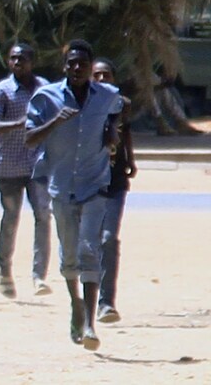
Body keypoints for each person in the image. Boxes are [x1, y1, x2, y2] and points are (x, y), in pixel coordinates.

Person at [25, 39, 123, 351]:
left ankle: (91, 323)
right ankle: (76, 306)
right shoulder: (46, 97)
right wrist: (56, 121)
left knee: (89, 250)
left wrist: (111, 131)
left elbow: (122, 107)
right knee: (69, 256)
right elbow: (29, 139)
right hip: (61, 187)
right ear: (64, 66)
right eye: (72, 63)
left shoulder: (106, 95)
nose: (77, 68)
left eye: (83, 63)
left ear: (91, 67)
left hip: (95, 186)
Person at [0, 43, 53, 299]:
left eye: (22, 59)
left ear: (31, 62)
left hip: (39, 165)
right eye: (13, 59)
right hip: (10, 165)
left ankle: (39, 276)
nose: (17, 63)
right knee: (11, 218)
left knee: (44, 217)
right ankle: (4, 270)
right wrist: (19, 124)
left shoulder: (44, 89)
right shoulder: (2, 92)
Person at [91, 58, 136, 323]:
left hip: (115, 182)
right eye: (96, 75)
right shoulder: (83, 104)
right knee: (88, 243)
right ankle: (86, 300)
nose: (101, 79)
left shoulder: (121, 104)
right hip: (88, 182)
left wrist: (130, 159)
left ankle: (106, 302)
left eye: (106, 75)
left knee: (109, 239)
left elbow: (126, 132)